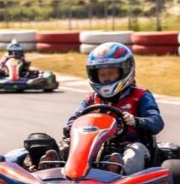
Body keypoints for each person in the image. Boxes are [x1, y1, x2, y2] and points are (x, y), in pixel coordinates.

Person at [42, 42, 164, 175]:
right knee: (66, 144)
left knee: (136, 150)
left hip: (127, 144)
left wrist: (136, 121)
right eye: (103, 75)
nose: (106, 79)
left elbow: (157, 122)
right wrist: (73, 127)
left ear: (125, 71)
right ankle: (52, 167)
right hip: (92, 144)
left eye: (111, 73)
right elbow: (74, 119)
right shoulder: (91, 98)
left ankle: (121, 175)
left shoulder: (140, 96)